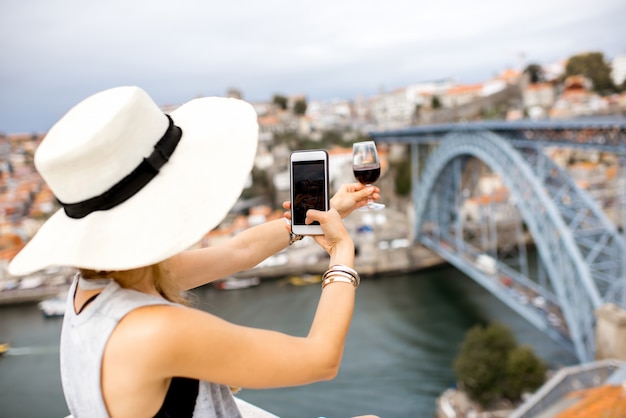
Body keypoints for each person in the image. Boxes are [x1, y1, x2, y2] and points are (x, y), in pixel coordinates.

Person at [9, 86, 381, 418]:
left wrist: (315, 219)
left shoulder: (98, 287)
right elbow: (319, 359)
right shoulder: (157, 331)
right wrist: (342, 251)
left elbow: (239, 251)